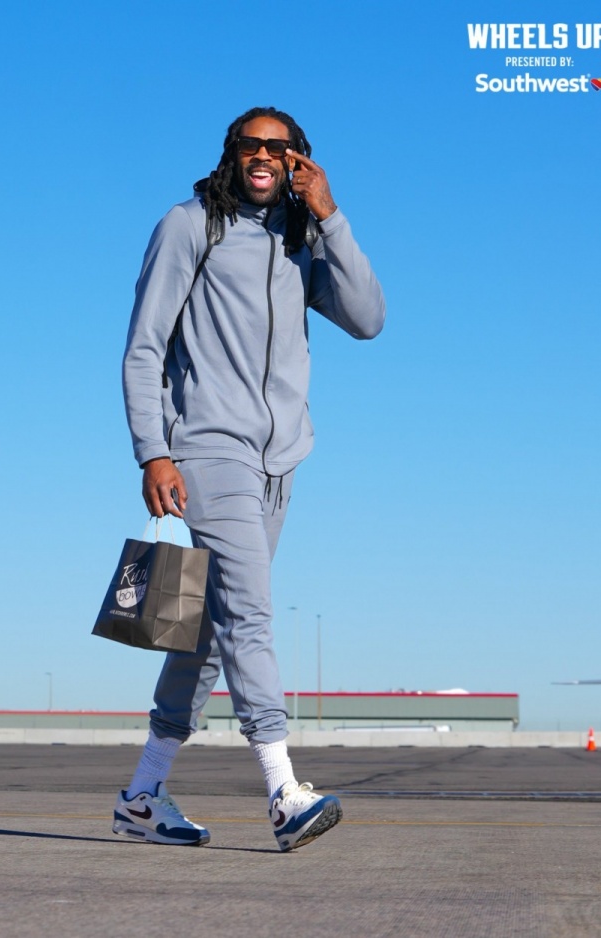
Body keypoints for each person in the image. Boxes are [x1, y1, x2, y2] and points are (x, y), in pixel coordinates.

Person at [116, 106, 385, 851]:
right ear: (232, 153)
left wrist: (329, 216)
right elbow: (143, 348)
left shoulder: (301, 238)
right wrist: (153, 451)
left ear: (299, 160)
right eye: (251, 145)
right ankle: (283, 792)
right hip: (208, 450)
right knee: (251, 616)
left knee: (205, 632)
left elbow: (368, 319)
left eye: (280, 148)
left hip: (280, 460)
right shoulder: (189, 225)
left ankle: (142, 796)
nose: (263, 155)